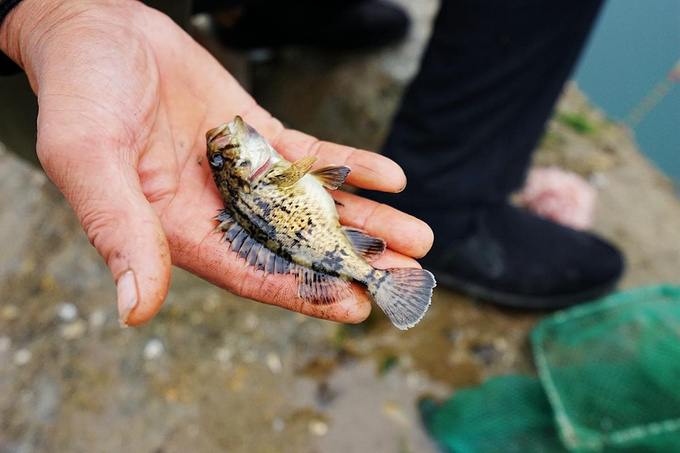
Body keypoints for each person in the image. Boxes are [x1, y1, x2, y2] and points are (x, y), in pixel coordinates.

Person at [0, 0, 433, 327]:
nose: (222, 145)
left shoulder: (269, 179)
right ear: (253, 171)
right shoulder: (283, 174)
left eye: (221, 156)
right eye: (222, 157)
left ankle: (274, 17)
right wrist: (41, 13)